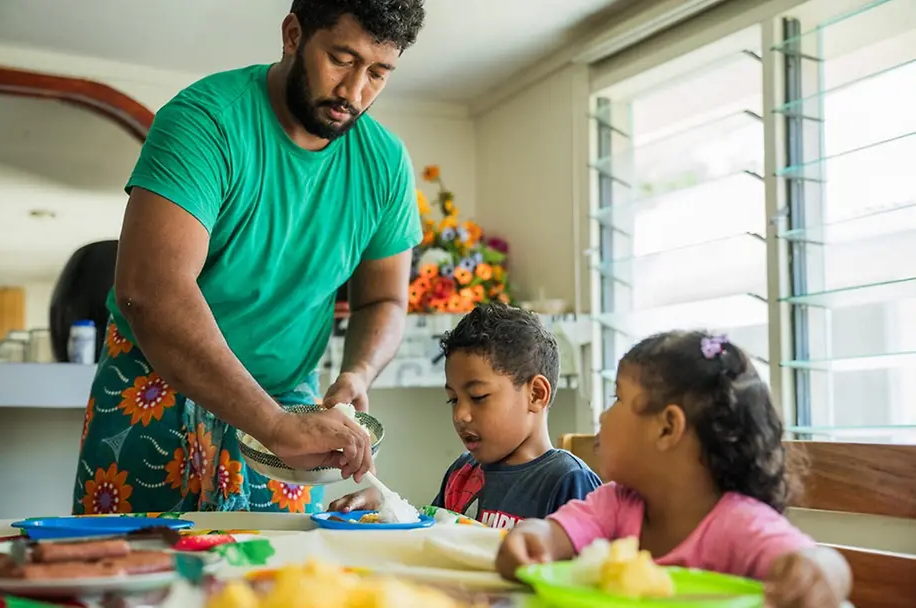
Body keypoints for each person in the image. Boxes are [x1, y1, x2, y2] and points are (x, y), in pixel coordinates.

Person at [72, 0, 427, 515]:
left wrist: (358, 373)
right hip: (152, 387)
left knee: (271, 583)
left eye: (377, 72)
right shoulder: (204, 120)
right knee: (128, 574)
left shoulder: (387, 164)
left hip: (291, 402)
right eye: (341, 59)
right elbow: (150, 292)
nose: (354, 92)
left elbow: (385, 300)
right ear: (292, 35)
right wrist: (274, 425)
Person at [495, 331, 852, 607]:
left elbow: (811, 559)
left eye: (617, 398)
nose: (603, 416)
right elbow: (552, 537)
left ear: (667, 428)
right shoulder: (614, 505)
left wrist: (820, 570)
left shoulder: (738, 523)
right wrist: (531, 538)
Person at [329, 303, 602, 528]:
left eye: (479, 397)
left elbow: (586, 575)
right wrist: (385, 508)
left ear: (535, 395)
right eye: (453, 399)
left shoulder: (568, 481)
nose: (460, 414)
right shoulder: (462, 473)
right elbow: (433, 537)